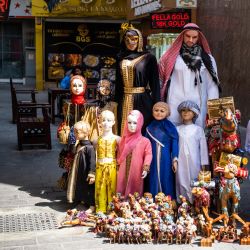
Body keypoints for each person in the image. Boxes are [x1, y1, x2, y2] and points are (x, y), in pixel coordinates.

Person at [158, 23, 221, 128]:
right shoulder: (171, 57)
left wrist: (213, 111)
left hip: (198, 104)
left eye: (194, 37)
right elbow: (162, 80)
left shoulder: (207, 59)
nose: (191, 40)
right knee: (175, 135)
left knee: (196, 136)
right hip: (174, 103)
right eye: (188, 36)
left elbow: (212, 86)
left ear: (199, 38)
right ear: (182, 36)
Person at [115, 23, 160, 135]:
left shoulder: (148, 58)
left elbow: (154, 82)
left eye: (134, 39)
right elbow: (118, 83)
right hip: (124, 99)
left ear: (139, 40)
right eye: (128, 39)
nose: (131, 42)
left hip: (142, 100)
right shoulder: (120, 57)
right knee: (123, 128)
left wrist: (157, 104)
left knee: (141, 129)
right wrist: (114, 101)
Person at [176, 100, 209, 203]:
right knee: (181, 180)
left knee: (195, 180)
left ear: (194, 113)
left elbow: (203, 148)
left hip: (195, 161)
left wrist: (204, 164)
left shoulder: (198, 129)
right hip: (180, 160)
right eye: (183, 110)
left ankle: (195, 204)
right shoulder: (177, 129)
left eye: (189, 110)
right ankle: (182, 204)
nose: (186, 113)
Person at [145, 102, 179, 199]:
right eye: (156, 110)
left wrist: (175, 159)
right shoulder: (150, 127)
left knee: (166, 177)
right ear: (152, 112)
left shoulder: (170, 127)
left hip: (166, 157)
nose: (159, 113)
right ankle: (153, 203)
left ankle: (168, 201)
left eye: (162, 111)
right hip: (153, 157)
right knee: (153, 177)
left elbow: (175, 143)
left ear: (167, 113)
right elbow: (146, 145)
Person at [117, 110, 152, 198]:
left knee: (135, 186)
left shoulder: (145, 141)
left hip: (137, 169)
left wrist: (146, 166)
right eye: (129, 122)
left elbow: (148, 154)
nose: (132, 126)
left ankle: (134, 206)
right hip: (123, 168)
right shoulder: (123, 140)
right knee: (121, 183)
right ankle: (120, 203)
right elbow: (119, 153)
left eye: (135, 123)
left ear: (140, 123)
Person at [67, 121, 95, 214]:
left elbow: (92, 161)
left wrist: (92, 174)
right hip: (79, 172)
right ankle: (81, 203)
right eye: (74, 132)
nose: (75, 134)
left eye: (77, 132)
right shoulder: (79, 144)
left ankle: (92, 205)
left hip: (85, 172)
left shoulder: (89, 148)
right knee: (80, 187)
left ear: (86, 133)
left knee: (89, 189)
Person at [95, 110, 120, 213]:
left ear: (113, 122)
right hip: (99, 166)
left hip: (112, 166)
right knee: (99, 188)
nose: (106, 123)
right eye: (103, 120)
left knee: (112, 188)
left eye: (109, 120)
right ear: (99, 121)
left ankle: (112, 210)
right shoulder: (96, 140)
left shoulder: (117, 139)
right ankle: (100, 209)